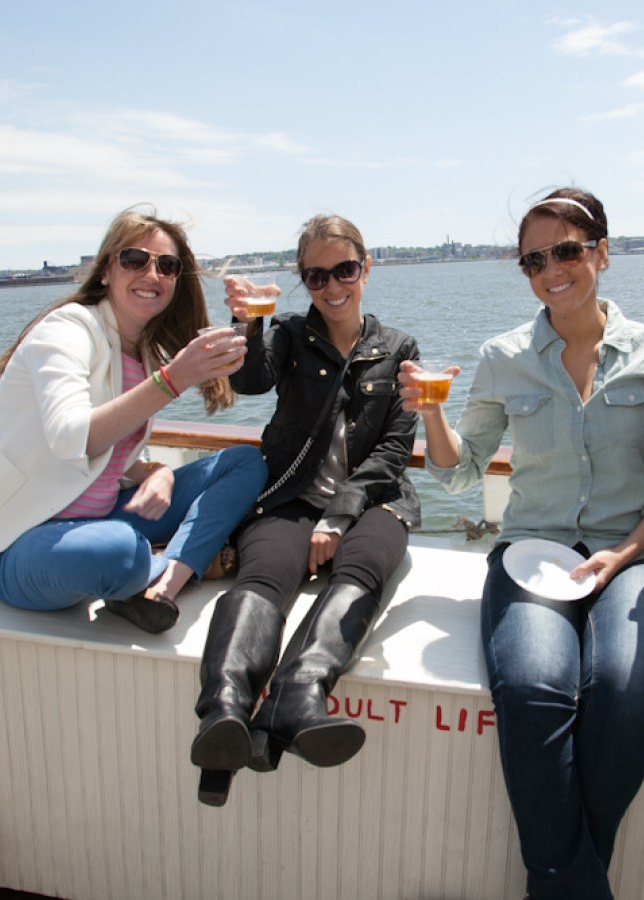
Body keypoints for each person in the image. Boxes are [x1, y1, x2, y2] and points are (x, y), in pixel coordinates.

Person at [400, 188, 644, 899]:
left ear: (600, 251)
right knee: (534, 687)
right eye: (534, 259)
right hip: (531, 551)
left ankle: (560, 881)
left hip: (632, 554)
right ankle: (577, 883)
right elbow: (458, 472)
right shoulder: (503, 357)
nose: (551, 269)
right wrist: (434, 414)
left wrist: (625, 554)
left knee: (626, 689)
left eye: (567, 250)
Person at [0, 208, 267, 634]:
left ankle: (165, 581)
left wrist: (157, 472)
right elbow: (71, 438)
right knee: (118, 551)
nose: (152, 273)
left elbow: (112, 453)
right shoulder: (66, 331)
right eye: (135, 260)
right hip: (21, 544)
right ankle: (160, 563)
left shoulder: (140, 350)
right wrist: (174, 379)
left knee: (245, 463)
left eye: (166, 266)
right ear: (105, 272)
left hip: (102, 517)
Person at [190, 213, 420, 806]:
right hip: (292, 497)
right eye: (316, 277)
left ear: (366, 268)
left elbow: (394, 450)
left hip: (372, 501)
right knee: (265, 574)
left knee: (364, 566)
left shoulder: (399, 349)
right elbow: (250, 379)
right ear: (304, 282)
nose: (333, 287)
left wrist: (340, 516)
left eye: (344, 270)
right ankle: (224, 713)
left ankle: (299, 700)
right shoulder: (288, 334)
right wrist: (248, 320)